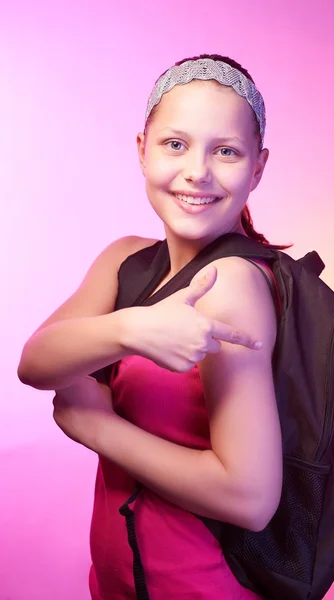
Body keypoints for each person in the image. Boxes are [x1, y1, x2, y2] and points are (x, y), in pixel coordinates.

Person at [18, 54, 283, 599]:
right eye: (176, 144)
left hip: (197, 587)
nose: (197, 172)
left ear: (258, 167)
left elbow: (251, 499)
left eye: (226, 151)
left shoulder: (230, 283)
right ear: (143, 151)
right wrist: (132, 329)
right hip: (119, 580)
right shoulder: (126, 261)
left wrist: (95, 427)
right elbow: (35, 362)